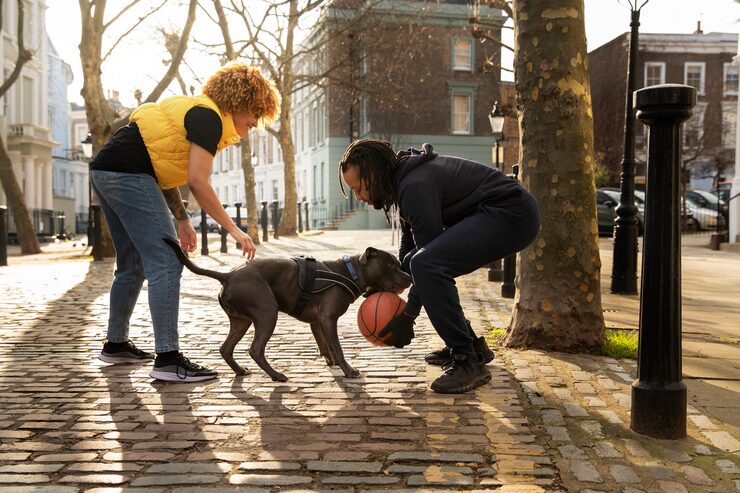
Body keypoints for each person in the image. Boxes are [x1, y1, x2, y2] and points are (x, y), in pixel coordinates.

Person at [91, 63, 280, 382]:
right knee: (166, 261)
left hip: (105, 170)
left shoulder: (196, 111)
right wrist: (234, 229)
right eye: (254, 115)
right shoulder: (209, 118)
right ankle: (168, 359)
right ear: (243, 102)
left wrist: (182, 218)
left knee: (132, 264)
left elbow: (160, 163)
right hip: (127, 174)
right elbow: (198, 181)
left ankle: (116, 344)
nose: (253, 123)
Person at [339, 140, 540, 394]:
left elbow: (426, 261)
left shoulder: (414, 185)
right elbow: (410, 252)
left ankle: (467, 361)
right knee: (423, 263)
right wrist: (389, 285)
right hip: (499, 213)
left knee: (428, 265)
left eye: (359, 188)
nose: (359, 197)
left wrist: (407, 316)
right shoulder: (402, 179)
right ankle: (473, 348)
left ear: (373, 174)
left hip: (511, 214)